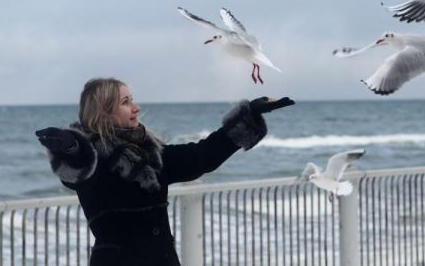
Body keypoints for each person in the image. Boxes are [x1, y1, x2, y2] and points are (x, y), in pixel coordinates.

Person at [35, 77, 294, 266]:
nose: (135, 107)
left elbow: (201, 157)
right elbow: (81, 169)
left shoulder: (151, 155)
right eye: (125, 102)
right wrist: (71, 147)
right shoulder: (95, 161)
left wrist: (249, 115)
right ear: (103, 113)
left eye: (132, 99)